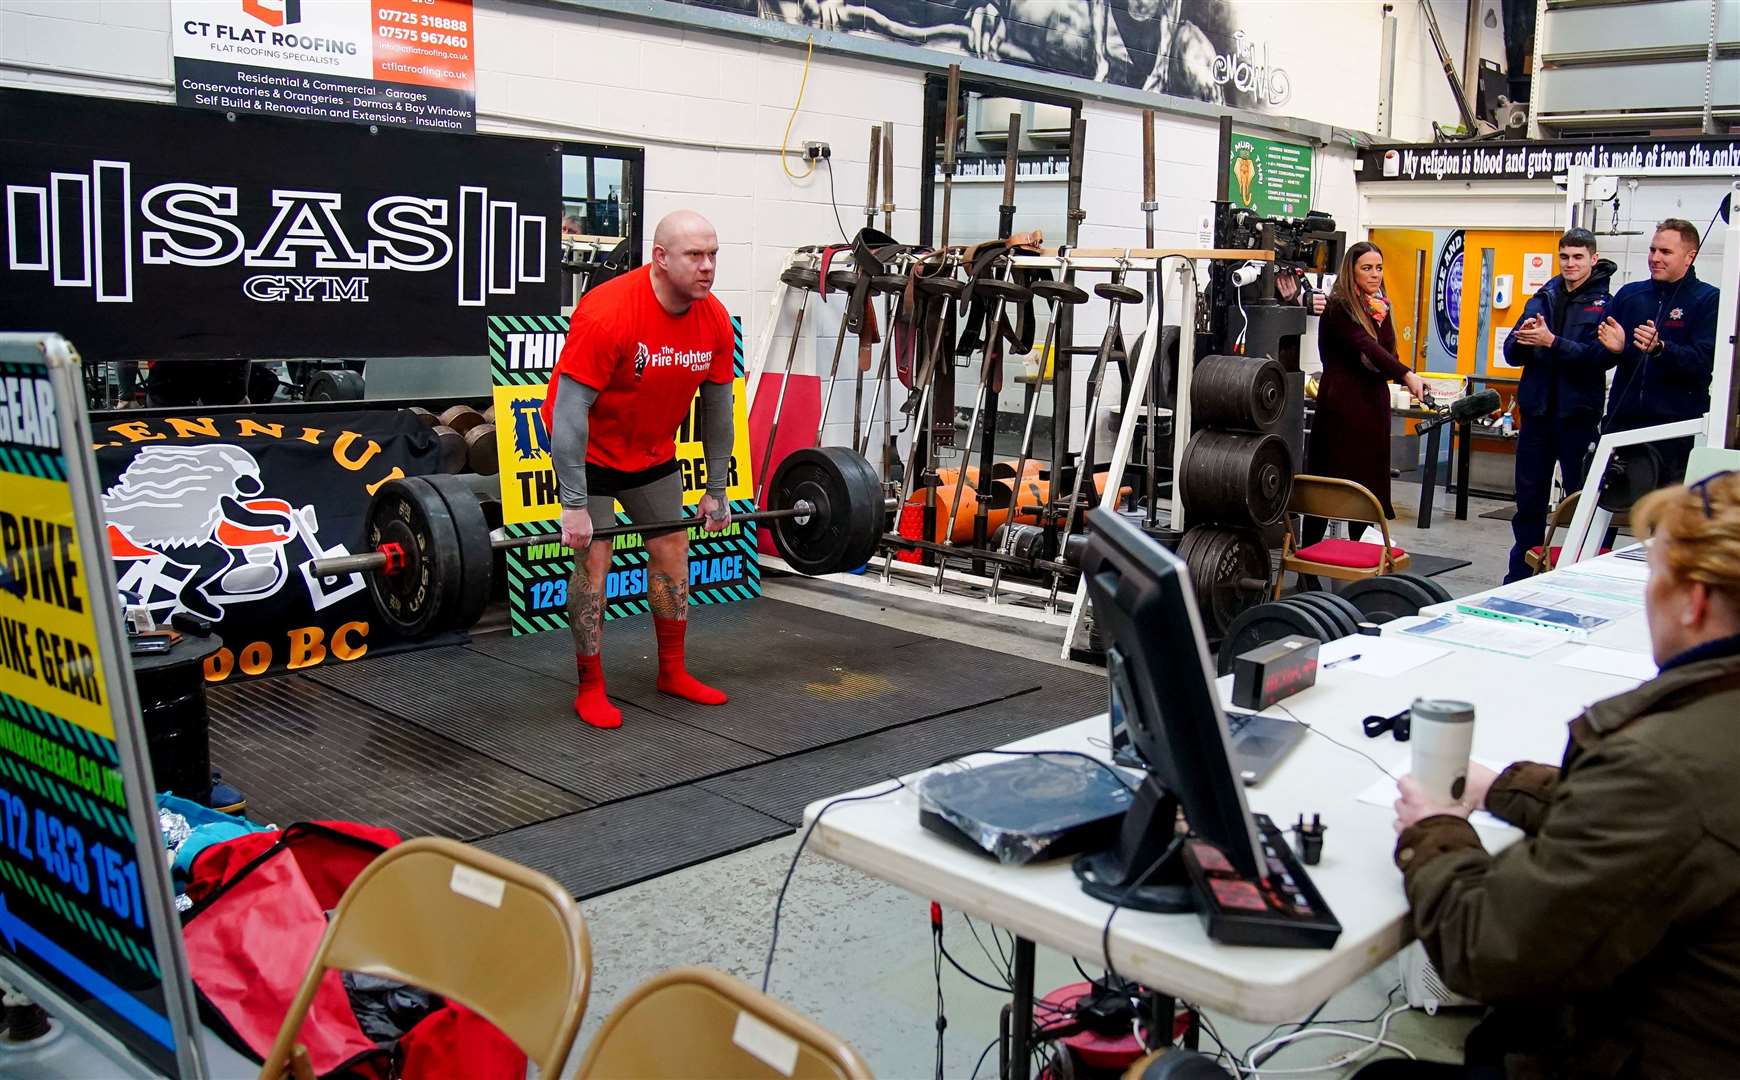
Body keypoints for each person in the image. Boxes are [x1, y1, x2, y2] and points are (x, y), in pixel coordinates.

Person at [1376, 470, 1740, 1077]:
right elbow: (1665, 830)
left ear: (1693, 601)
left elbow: (1487, 946)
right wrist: (1504, 789)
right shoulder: (1695, 743)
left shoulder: (1660, 769)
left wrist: (1436, 829)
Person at [542, 210, 736, 730]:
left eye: (713, 254)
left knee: (673, 551)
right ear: (660, 258)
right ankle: (590, 686)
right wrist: (575, 505)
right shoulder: (608, 313)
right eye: (695, 255)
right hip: (591, 454)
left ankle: (671, 671)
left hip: (651, 454)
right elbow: (568, 412)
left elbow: (718, 409)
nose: (707, 267)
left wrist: (716, 489)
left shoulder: (713, 318)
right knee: (593, 564)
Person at [1500, 229, 1615, 583]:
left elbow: (1600, 359)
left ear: (1593, 259)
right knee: (1529, 502)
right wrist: (1524, 338)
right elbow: (1510, 353)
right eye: (1565, 256)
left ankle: (1588, 572)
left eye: (1578, 257)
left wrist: (1552, 342)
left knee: (1586, 500)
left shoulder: (1606, 303)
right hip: (1537, 413)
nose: (1570, 264)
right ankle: (1520, 578)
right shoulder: (1542, 297)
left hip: (1578, 415)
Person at [1303, 241, 1427, 547]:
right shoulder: (1339, 307)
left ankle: (1362, 554)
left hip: (1371, 406)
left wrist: (1383, 324)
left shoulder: (1378, 307)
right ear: (1351, 271)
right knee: (1329, 487)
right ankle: (1308, 562)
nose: (1375, 275)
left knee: (1367, 486)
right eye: (1367, 268)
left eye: (1379, 268)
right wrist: (1406, 374)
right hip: (1342, 408)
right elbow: (1365, 345)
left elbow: (1386, 351)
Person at [1595, 218, 1720, 483]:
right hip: (1623, 427)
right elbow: (1596, 356)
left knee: (1665, 519)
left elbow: (1702, 362)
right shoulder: (1629, 296)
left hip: (1675, 433)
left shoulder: (1708, 301)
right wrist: (1616, 350)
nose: (1655, 258)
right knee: (1605, 514)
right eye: (1652, 250)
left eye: (1665, 252)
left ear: (1690, 257)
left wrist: (1661, 349)